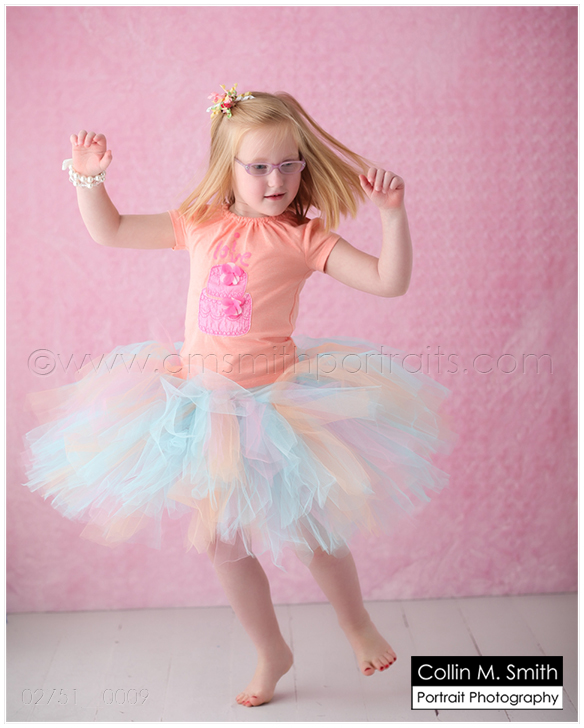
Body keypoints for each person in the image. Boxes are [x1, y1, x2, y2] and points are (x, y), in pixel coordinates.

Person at [21, 85, 455, 708]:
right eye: (258, 167)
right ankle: (270, 650)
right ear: (229, 168)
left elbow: (390, 282)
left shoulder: (304, 238)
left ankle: (357, 623)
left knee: (311, 528)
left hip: (280, 408)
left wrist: (392, 214)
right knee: (222, 542)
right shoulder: (199, 222)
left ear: (303, 166)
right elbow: (111, 231)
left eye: (289, 164)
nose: (275, 180)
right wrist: (89, 180)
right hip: (201, 409)